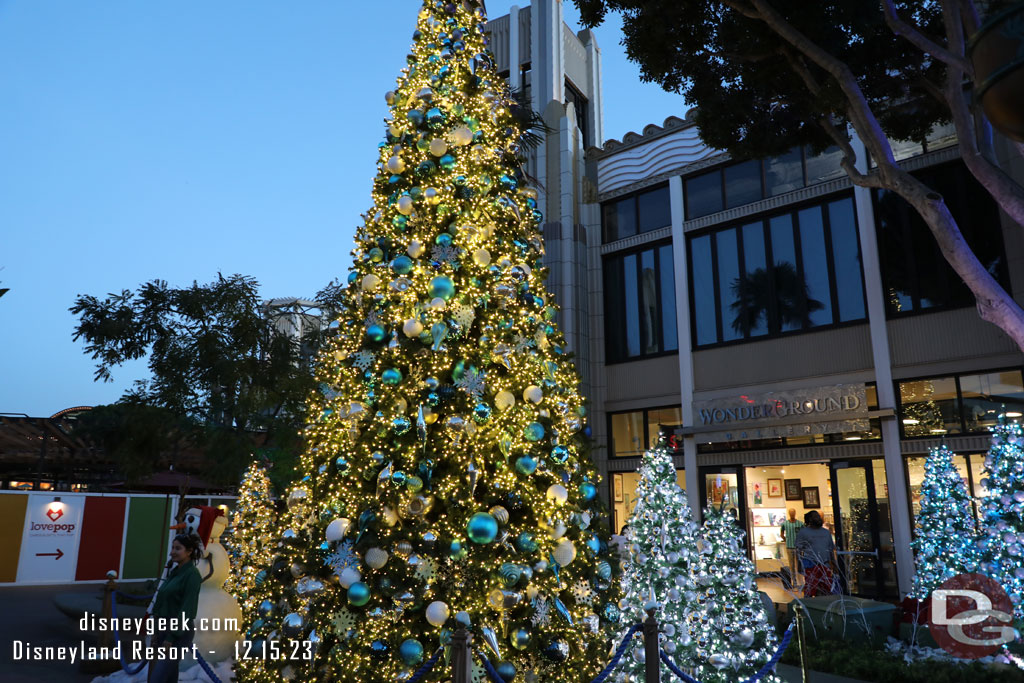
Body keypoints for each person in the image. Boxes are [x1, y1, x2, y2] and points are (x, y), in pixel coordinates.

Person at [148, 533, 203, 683]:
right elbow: (161, 601)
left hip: (178, 633)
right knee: (169, 677)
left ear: (189, 551)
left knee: (158, 678)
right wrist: (156, 631)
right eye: (172, 547)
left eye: (178, 548)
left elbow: (187, 608)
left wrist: (172, 636)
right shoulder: (174, 573)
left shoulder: (192, 575)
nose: (172, 551)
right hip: (163, 630)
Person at [796, 510, 837, 597]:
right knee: (810, 588)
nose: (818, 518)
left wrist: (834, 564)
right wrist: (799, 564)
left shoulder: (826, 533)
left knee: (827, 588)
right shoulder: (803, 532)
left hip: (825, 565)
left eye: (818, 516)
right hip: (811, 564)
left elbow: (830, 550)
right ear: (810, 519)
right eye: (815, 516)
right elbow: (798, 550)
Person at [779, 508, 804, 587]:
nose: (792, 514)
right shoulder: (785, 524)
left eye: (793, 513)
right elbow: (782, 533)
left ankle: (801, 582)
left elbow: (804, 534)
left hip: (798, 547)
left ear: (795, 513)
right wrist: (785, 539)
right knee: (791, 565)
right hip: (789, 546)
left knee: (799, 564)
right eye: (791, 513)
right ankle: (794, 581)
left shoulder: (800, 524)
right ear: (789, 514)